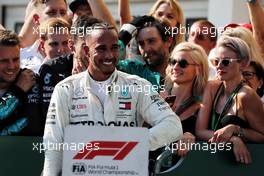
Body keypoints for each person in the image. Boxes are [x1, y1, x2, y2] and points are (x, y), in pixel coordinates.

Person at [43, 22, 183, 175]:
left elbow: (173, 125)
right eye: (101, 49)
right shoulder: (65, 89)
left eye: (114, 48)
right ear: (86, 50)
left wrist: (135, 143)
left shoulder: (137, 85)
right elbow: (53, 143)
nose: (109, 55)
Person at [196, 36, 264, 164]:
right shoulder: (212, 87)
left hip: (240, 164)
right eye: (216, 62)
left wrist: (236, 129)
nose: (219, 66)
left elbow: (262, 136)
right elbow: (200, 131)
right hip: (211, 161)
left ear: (243, 63)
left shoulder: (246, 96)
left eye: (226, 62)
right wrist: (233, 139)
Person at [38, 15, 101, 117]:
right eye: (85, 46)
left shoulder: (110, 65)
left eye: (96, 46)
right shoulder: (51, 69)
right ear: (72, 45)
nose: (90, 52)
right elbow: (52, 117)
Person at [162, 42, 209, 156]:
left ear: (198, 69)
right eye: (173, 62)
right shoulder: (156, 97)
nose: (175, 67)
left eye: (183, 63)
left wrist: (192, 137)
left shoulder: (202, 107)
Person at [0, 29, 44, 136]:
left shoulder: (33, 81)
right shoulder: (23, 84)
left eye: (15, 59)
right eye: (4, 61)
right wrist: (18, 91)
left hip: (28, 151)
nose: (11, 66)